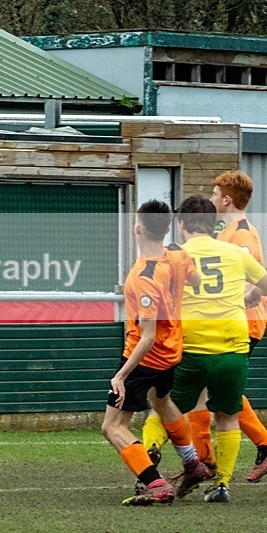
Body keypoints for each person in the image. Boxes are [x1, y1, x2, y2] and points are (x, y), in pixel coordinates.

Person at [142, 171, 267, 484]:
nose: (212, 199)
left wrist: (249, 295)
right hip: (226, 325)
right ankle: (206, 461)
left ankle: (258, 445)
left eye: (215, 194)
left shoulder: (240, 234)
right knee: (215, 394)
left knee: (218, 398)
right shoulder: (227, 237)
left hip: (234, 324)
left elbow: (253, 281)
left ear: (225, 199)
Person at [102, 200, 211, 506]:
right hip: (173, 350)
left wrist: (121, 375)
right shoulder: (178, 253)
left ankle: (156, 483)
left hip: (147, 356)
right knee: (161, 402)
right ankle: (193, 464)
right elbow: (197, 281)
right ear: (166, 229)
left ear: (137, 228)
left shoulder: (143, 277)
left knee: (112, 426)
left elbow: (147, 336)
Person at [169, 195, 267, 503]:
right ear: (214, 224)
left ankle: (152, 468)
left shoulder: (174, 255)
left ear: (180, 223)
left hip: (192, 346)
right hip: (233, 345)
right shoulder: (233, 251)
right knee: (228, 415)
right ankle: (222, 484)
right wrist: (250, 293)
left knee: (165, 406)